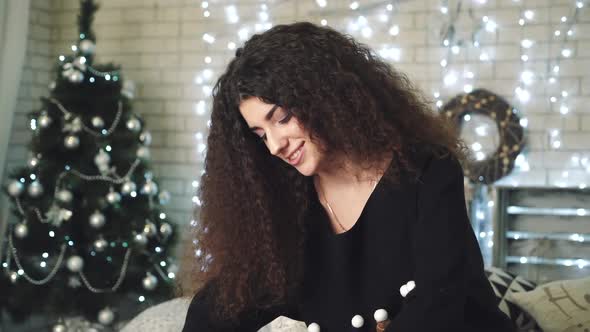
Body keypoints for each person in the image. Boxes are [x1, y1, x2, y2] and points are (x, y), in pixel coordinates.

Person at [179, 22, 515, 332]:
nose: (274, 145)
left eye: (281, 118)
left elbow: (442, 301)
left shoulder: (427, 169)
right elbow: (221, 309)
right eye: (260, 134)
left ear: (323, 97)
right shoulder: (289, 207)